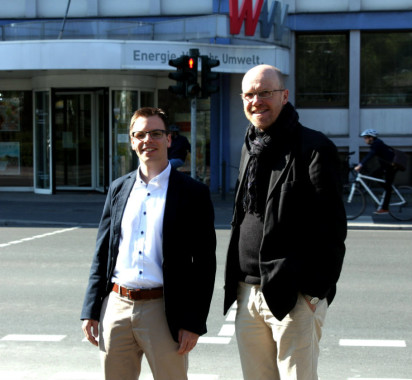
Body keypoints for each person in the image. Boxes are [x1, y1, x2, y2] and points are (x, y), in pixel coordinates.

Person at [223, 64, 347, 380]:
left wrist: (314, 293)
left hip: (294, 295)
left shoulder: (313, 147)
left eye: (265, 92)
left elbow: (332, 229)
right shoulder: (250, 145)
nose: (256, 101)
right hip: (247, 291)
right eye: (249, 94)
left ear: (284, 95)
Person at [81, 107, 216, 380]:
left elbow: (204, 264)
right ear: (132, 141)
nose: (147, 140)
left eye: (155, 133)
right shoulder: (118, 188)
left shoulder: (192, 193)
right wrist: (91, 309)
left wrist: (193, 322)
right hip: (117, 307)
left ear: (168, 139)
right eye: (139, 134)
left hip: (164, 311)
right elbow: (103, 252)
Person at [354, 129, 397, 214]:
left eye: (365, 138)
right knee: (374, 175)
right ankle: (388, 188)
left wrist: (360, 165)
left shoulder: (377, 144)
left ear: (371, 138)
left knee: (388, 188)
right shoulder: (376, 143)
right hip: (386, 166)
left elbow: (370, 155)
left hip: (392, 166)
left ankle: (385, 208)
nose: (364, 140)